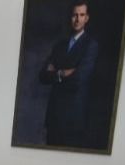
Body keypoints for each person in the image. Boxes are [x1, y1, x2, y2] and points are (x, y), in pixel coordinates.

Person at [38, 2, 98, 147]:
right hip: (54, 117)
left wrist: (56, 72)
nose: (77, 19)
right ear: (70, 17)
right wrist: (64, 72)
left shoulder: (91, 45)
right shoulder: (59, 45)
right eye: (74, 15)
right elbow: (43, 76)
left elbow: (78, 80)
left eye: (81, 15)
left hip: (73, 119)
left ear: (87, 18)